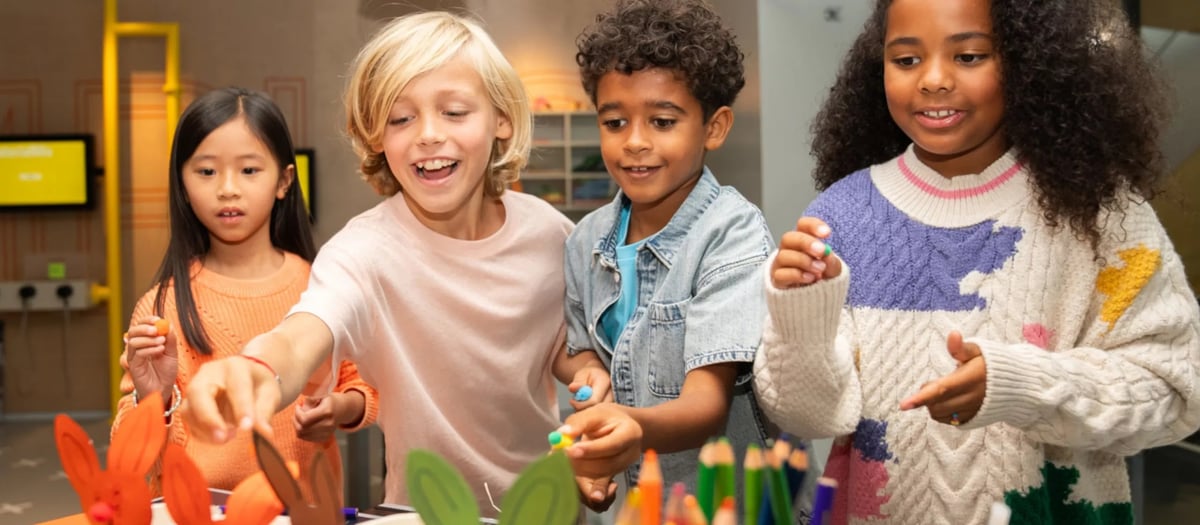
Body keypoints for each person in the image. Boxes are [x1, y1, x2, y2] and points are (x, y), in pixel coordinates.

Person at [753, 0, 1200, 523]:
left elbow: (1174, 391)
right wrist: (801, 313)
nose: (934, 80)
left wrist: (1025, 387)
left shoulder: (1102, 216)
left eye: (968, 56)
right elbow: (806, 415)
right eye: (905, 60)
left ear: (1028, 65)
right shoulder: (841, 217)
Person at [178, 13, 608, 517]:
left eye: (453, 111)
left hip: (545, 506)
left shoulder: (550, 233)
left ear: (501, 119)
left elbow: (562, 346)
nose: (427, 135)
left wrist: (590, 375)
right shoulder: (363, 251)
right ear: (376, 135)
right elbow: (304, 333)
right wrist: (257, 367)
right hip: (420, 511)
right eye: (400, 118)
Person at [557, 0, 786, 513]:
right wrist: (593, 442)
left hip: (726, 502)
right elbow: (580, 353)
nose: (634, 142)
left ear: (714, 127)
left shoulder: (731, 232)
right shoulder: (585, 239)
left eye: (662, 121)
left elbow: (706, 406)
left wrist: (628, 429)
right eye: (615, 123)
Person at [116, 87, 377, 492]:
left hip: (303, 510)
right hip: (199, 514)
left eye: (249, 170)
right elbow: (130, 463)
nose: (227, 189)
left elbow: (362, 386)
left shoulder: (323, 285)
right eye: (206, 172)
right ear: (182, 185)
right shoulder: (160, 305)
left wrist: (339, 408)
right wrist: (156, 399)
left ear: (284, 181)